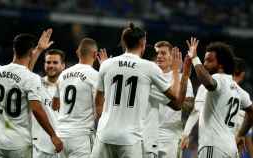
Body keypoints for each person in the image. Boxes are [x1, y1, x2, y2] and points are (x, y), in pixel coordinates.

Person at [91, 23, 190, 158]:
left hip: (104, 134)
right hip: (130, 139)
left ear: (124, 43)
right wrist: (176, 71)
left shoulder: (106, 64)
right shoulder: (149, 68)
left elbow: (98, 102)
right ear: (143, 43)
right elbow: (176, 99)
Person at [0, 29, 63, 158]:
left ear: (14, 49)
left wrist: (38, 49)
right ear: (30, 52)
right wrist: (53, 135)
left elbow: (20, 74)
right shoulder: (31, 78)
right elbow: (36, 110)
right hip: (18, 144)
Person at [186, 38, 253, 158]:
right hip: (231, 148)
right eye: (204, 60)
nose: (205, 64)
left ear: (221, 64)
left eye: (209, 61)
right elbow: (251, 112)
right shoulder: (239, 90)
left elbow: (209, 83)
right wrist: (241, 134)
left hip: (213, 146)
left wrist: (195, 58)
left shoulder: (218, 79)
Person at [54, 38, 99, 158]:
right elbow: (99, 108)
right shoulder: (95, 76)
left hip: (61, 133)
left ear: (77, 53)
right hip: (81, 136)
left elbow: (55, 104)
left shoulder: (63, 74)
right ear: (95, 54)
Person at [153, 41, 194, 158]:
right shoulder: (149, 76)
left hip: (171, 134)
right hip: (148, 132)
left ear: (172, 58)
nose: (159, 56)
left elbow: (189, 107)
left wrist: (186, 133)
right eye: (157, 53)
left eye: (163, 53)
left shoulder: (182, 78)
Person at [32, 49, 66, 158]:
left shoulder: (69, 88)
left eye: (55, 62)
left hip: (65, 147)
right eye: (48, 62)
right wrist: (38, 49)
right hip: (40, 148)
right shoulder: (36, 84)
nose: (51, 65)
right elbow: (25, 71)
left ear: (63, 65)